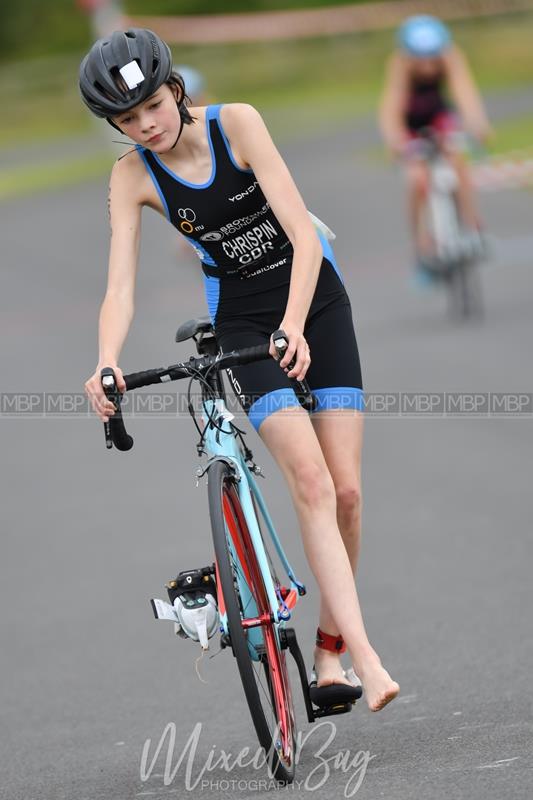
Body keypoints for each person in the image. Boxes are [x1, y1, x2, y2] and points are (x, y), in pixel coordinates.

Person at [81, 28, 399, 712]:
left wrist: (294, 322)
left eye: (151, 109)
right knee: (309, 482)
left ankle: (331, 649)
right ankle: (365, 661)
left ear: (174, 89)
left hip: (313, 301)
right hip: (243, 321)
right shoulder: (132, 175)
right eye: (127, 122)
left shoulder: (239, 124)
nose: (146, 128)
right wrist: (104, 362)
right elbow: (120, 287)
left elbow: (303, 236)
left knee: (346, 494)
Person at [379, 15, 492, 277]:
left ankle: (472, 224)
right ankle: (420, 243)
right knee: (416, 177)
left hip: (438, 115)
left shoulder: (451, 56)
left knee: (458, 158)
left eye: (433, 58)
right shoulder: (400, 63)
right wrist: (395, 140)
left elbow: (465, 93)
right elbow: (391, 107)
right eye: (421, 59)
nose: (428, 66)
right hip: (411, 121)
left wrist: (478, 125)